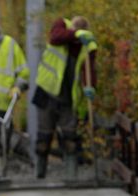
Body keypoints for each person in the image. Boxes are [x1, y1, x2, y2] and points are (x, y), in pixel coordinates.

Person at [32, 16, 97, 179]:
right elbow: (56, 37)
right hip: (47, 93)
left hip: (68, 98)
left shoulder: (87, 46)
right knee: (43, 138)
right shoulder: (60, 26)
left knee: (70, 139)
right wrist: (75, 34)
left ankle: (71, 175)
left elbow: (89, 69)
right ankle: (39, 175)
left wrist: (90, 87)